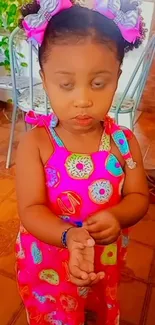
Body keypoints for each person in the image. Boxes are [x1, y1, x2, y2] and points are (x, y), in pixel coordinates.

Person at [15, 1, 149, 324]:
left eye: (98, 83)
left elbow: (139, 197)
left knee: (98, 309)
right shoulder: (36, 144)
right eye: (66, 84)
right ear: (45, 80)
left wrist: (117, 216)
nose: (83, 99)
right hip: (49, 262)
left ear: (117, 78)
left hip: (103, 260)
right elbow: (30, 210)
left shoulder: (124, 144)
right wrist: (67, 236)